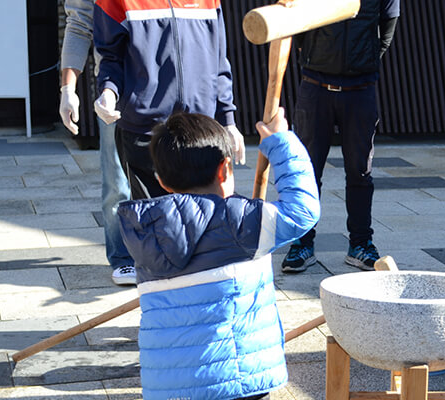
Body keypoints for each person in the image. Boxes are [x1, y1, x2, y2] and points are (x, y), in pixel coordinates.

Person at [117, 109, 319, 399]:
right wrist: (281, 142)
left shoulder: (147, 232)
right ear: (225, 169)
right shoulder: (240, 222)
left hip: (167, 388)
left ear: (161, 180)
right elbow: (303, 210)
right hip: (235, 382)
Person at [280, 0, 400, 273]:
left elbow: (387, 27)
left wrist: (363, 60)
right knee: (307, 171)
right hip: (315, 86)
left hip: (360, 88)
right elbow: (298, 23)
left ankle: (361, 244)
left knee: (360, 171)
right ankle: (302, 242)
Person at [92, 0, 245, 201]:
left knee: (205, 221)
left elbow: (219, 60)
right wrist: (108, 93)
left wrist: (228, 120)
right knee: (155, 223)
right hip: (143, 132)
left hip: (200, 132)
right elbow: (111, 58)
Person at [59, 0, 135, 285]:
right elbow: (79, 24)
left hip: (168, 80)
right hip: (114, 87)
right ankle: (123, 257)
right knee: (117, 180)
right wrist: (68, 88)